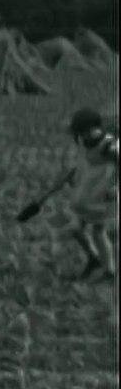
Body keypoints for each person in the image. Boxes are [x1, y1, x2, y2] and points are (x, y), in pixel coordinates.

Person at [65, 107, 118, 282]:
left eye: (84, 132)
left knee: (98, 232)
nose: (81, 137)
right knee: (76, 229)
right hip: (88, 190)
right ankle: (94, 258)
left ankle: (109, 269)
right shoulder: (87, 142)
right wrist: (76, 175)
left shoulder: (110, 145)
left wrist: (116, 187)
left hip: (104, 192)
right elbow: (88, 162)